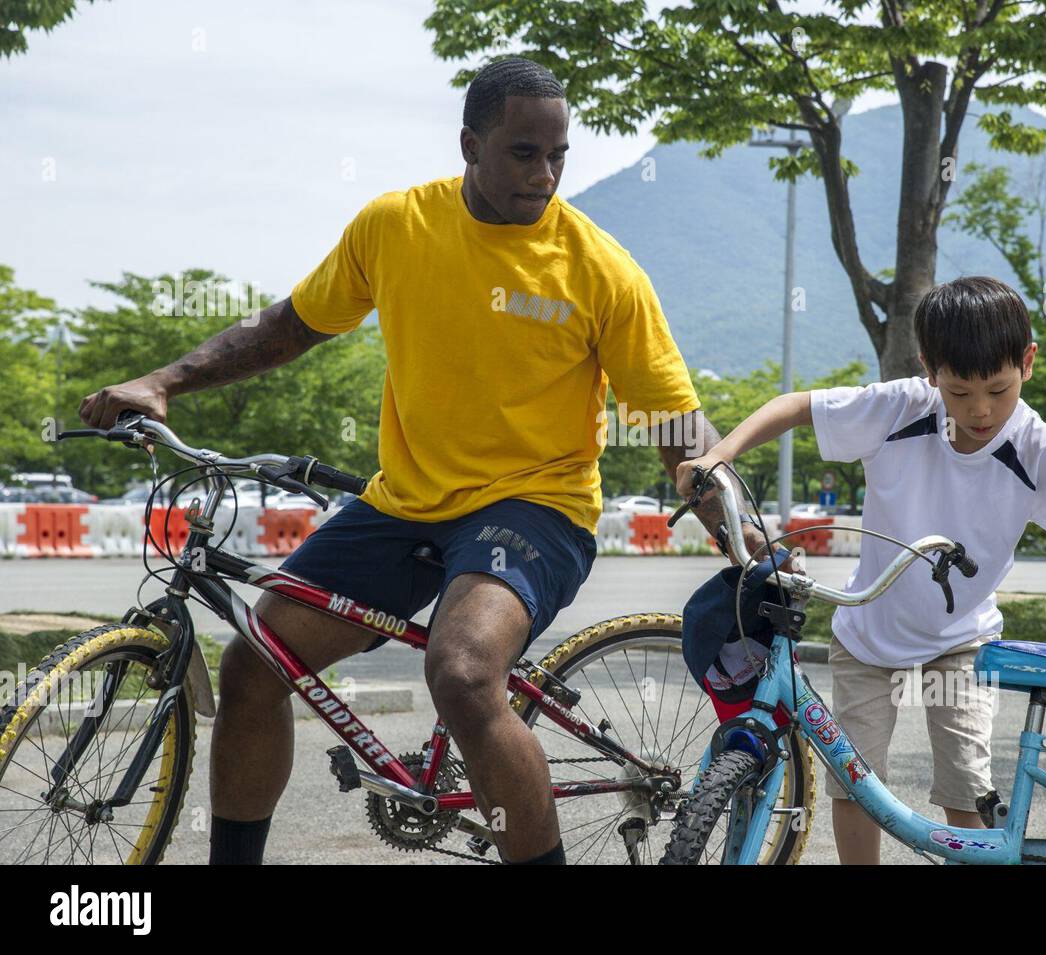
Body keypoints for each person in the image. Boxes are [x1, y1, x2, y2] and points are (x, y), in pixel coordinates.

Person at [79, 57, 761, 865]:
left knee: (466, 672)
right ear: (470, 143)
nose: (544, 175)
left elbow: (672, 418)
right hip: (404, 504)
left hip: (536, 508)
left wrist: (741, 531)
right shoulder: (396, 226)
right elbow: (289, 325)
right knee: (256, 661)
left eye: (559, 156)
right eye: (522, 153)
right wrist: (164, 380)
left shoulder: (600, 269)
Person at [677, 275, 1046, 864]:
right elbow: (795, 407)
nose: (980, 411)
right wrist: (718, 455)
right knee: (858, 786)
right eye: (959, 392)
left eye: (998, 390)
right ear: (929, 368)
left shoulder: (1038, 448)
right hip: (868, 634)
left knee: (965, 790)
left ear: (1028, 363)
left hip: (961, 642)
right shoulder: (899, 407)